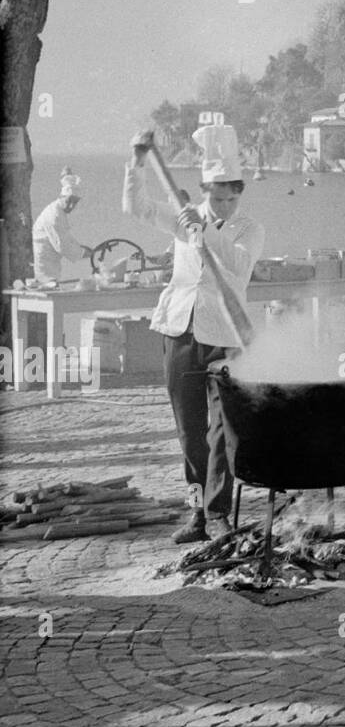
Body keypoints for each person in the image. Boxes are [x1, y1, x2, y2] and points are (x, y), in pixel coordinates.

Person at [125, 126, 265, 544]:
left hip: (226, 335)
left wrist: (205, 230)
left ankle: (219, 513)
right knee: (188, 429)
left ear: (240, 195)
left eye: (230, 198)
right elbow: (136, 208)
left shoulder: (248, 229)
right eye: (215, 197)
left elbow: (237, 269)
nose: (222, 205)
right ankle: (198, 511)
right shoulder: (183, 218)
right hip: (180, 330)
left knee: (221, 429)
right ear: (204, 190)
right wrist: (136, 161)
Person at [31, 172, 91, 283]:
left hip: (52, 265)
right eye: (69, 201)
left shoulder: (59, 211)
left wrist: (80, 247)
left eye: (75, 202)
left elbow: (66, 236)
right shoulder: (54, 215)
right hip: (45, 268)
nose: (71, 206)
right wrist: (83, 253)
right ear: (61, 197)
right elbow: (62, 246)